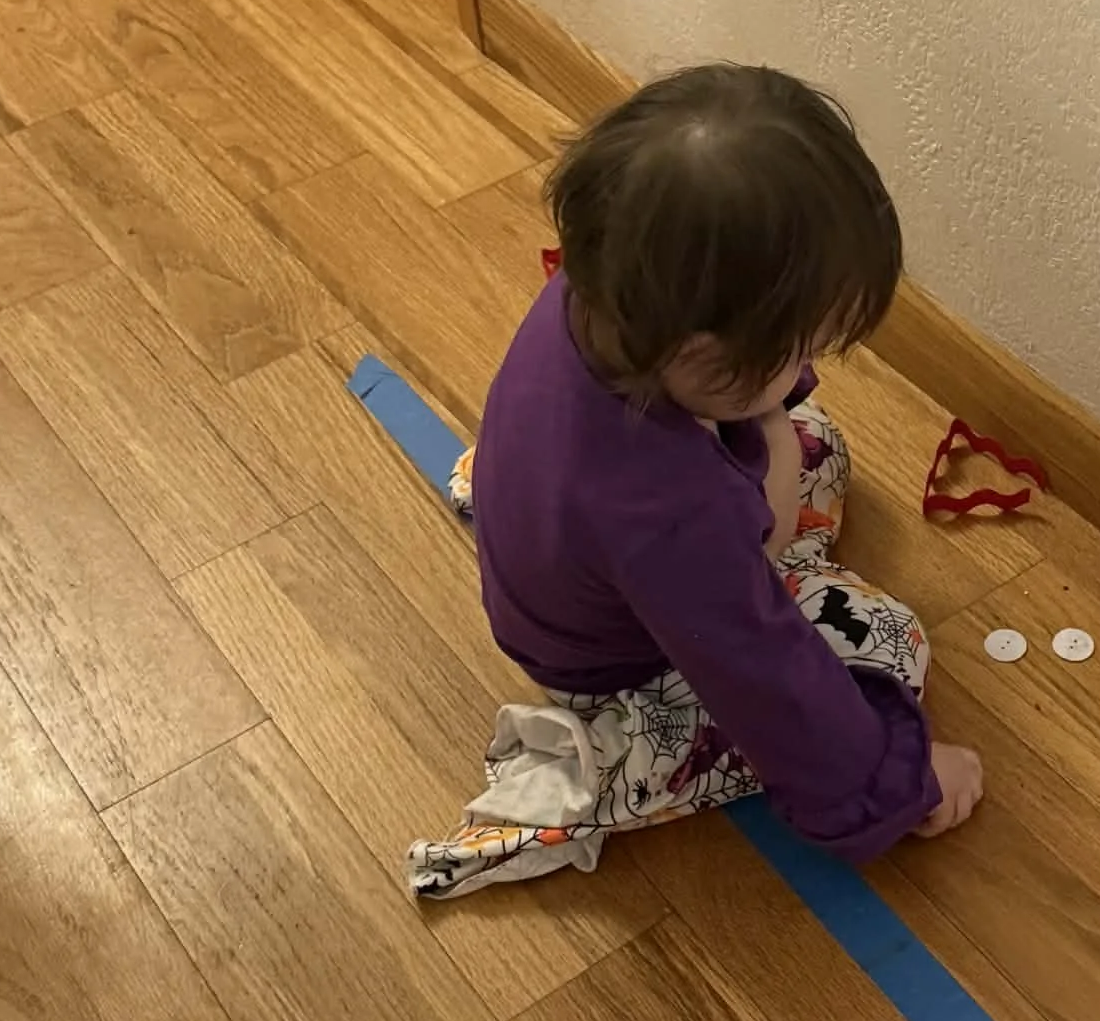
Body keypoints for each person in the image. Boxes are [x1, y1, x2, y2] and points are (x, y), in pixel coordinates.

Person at [407, 64, 983, 897]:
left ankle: (753, 516)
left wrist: (772, 420)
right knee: (891, 640)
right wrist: (901, 781)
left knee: (815, 436)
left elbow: (753, 437)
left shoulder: (605, 288)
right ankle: (596, 766)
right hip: (616, 663)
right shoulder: (669, 509)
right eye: (796, 348)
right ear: (704, 357)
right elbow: (768, 682)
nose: (809, 363)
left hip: (590, 538)